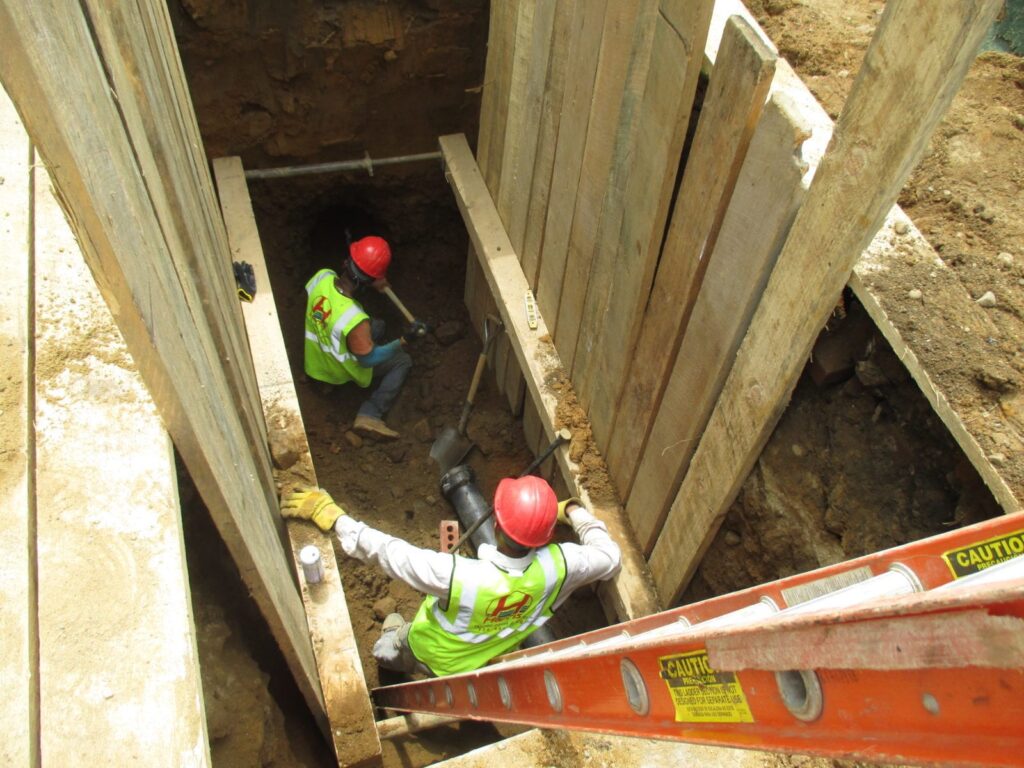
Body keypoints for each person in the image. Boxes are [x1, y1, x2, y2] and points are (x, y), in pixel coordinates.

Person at [281, 476, 621, 677]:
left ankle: (389, 657)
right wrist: (574, 510)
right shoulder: (563, 565)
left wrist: (336, 519)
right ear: (547, 536)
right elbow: (611, 556)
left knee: (390, 644)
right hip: (478, 662)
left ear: (496, 525)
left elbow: (391, 553)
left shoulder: (457, 575)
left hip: (428, 652)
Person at [303, 235, 425, 440]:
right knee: (403, 360)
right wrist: (404, 340)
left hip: (316, 359)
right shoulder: (355, 319)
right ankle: (370, 414)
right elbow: (368, 360)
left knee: (378, 326)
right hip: (337, 368)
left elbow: (329, 306)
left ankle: (325, 382)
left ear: (347, 262)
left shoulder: (322, 276)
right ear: (369, 280)